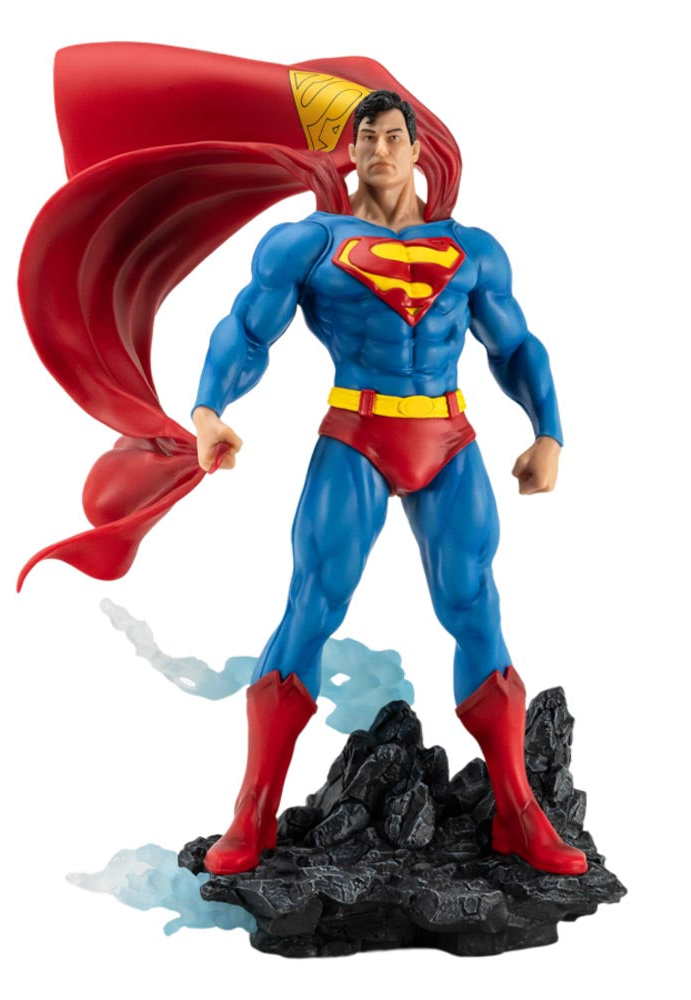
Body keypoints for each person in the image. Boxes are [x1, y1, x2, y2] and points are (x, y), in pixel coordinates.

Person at [192, 90, 587, 877]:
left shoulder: (471, 249)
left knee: (475, 606)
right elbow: (247, 330)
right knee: (313, 604)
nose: (378, 149)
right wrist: (209, 409)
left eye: (392, 136)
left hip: (448, 437)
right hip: (357, 433)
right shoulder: (308, 243)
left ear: (416, 149)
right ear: (349, 151)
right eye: (365, 136)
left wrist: (548, 431)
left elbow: (514, 345)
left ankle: (517, 812)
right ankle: (253, 812)